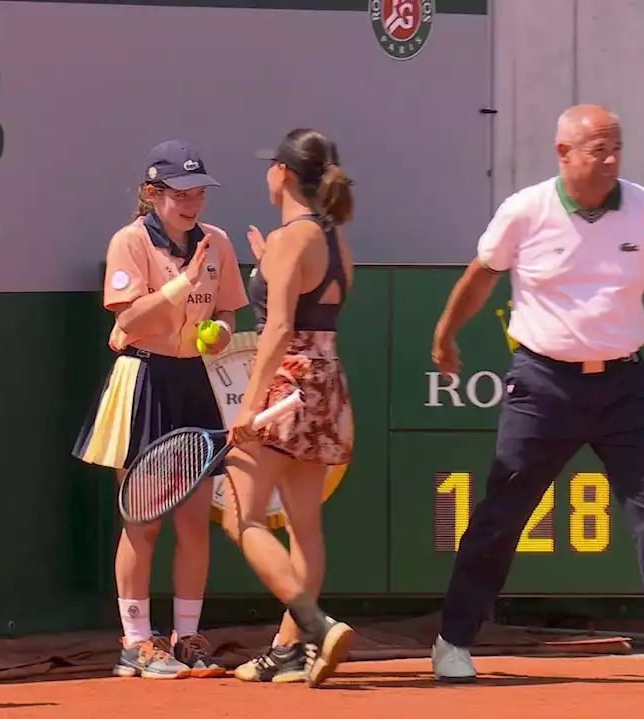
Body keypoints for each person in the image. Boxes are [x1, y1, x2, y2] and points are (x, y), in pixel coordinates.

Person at [429, 105, 644, 687]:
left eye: (615, 149)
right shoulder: (525, 211)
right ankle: (453, 640)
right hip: (542, 384)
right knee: (502, 513)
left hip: (626, 384)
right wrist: (446, 334)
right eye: (596, 150)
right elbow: (482, 274)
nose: (609, 160)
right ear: (563, 154)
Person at [72, 140, 248, 679]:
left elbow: (228, 316)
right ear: (153, 195)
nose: (192, 204)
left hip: (194, 382)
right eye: (180, 194)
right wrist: (181, 285)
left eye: (199, 193)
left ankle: (188, 636)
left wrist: (219, 334)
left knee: (194, 522)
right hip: (144, 380)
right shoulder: (130, 242)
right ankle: (136, 643)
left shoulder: (216, 243)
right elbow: (129, 322)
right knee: (142, 521)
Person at [220, 128, 357, 689]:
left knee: (241, 517)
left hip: (285, 383)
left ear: (282, 173)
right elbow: (308, 299)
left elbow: (278, 328)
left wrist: (250, 406)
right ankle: (290, 649)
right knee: (305, 527)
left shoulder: (288, 240)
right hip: (328, 383)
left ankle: (317, 625)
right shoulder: (336, 243)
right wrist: (265, 265)